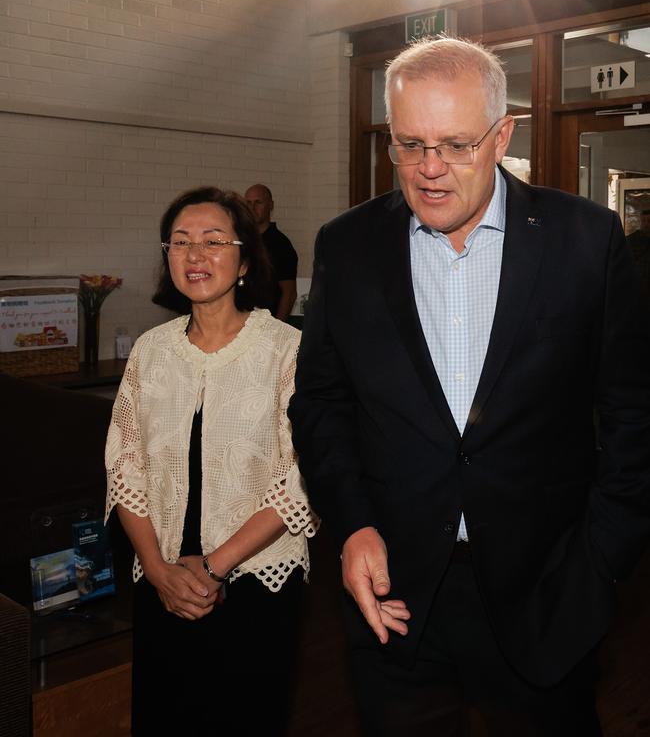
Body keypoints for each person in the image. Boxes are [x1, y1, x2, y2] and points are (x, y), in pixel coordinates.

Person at [288, 37, 650, 737]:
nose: (429, 169)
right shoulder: (349, 246)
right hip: (394, 597)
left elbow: (633, 412)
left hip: (547, 590)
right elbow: (322, 400)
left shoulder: (585, 240)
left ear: (502, 134)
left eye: (455, 144)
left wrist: (600, 562)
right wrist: (353, 522)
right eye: (409, 144)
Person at [105, 186, 318, 736]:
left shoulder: (287, 350)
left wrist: (215, 565)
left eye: (213, 241)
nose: (195, 255)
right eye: (180, 243)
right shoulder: (151, 352)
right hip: (163, 584)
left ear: (245, 260)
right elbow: (124, 467)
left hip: (254, 585)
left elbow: (301, 475)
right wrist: (156, 569)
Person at [245, 184, 298, 321]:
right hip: (238, 322)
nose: (252, 208)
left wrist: (277, 328)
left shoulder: (281, 245)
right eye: (248, 203)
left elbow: (289, 293)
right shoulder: (239, 240)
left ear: (270, 205)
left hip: (266, 323)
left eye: (258, 202)